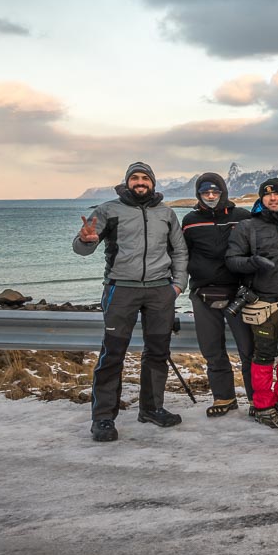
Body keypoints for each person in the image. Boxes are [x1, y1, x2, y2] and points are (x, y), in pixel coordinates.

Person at [72, 161, 188, 442]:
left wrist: (177, 286)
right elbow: (82, 248)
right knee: (112, 354)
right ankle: (103, 418)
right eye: (134, 178)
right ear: (127, 182)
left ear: (153, 183)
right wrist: (85, 239)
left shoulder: (167, 213)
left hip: (160, 291)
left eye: (144, 178)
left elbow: (180, 251)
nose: (140, 182)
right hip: (120, 290)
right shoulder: (108, 210)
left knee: (157, 352)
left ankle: (151, 408)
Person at [225, 178, 278, 429]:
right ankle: (262, 405)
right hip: (262, 302)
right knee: (263, 356)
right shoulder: (248, 227)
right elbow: (231, 259)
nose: (273, 199)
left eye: (277, 195)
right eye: (267, 196)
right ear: (261, 200)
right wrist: (253, 263)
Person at [181, 173, 254, 418]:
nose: (211, 196)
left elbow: (262, 239)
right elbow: (180, 254)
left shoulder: (242, 217)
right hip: (203, 292)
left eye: (215, 192)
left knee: (248, 349)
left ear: (223, 192)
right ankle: (224, 397)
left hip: (238, 293)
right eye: (205, 193)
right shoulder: (190, 221)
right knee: (212, 349)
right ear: (198, 195)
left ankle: (257, 398)